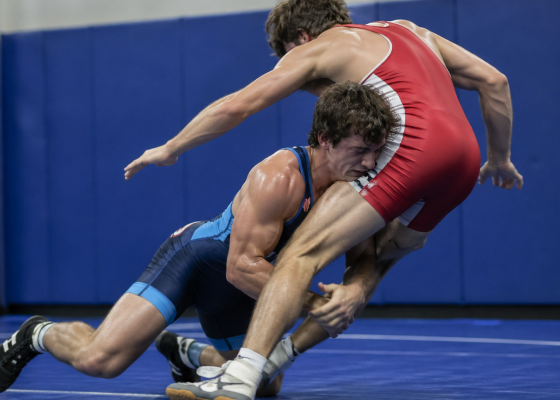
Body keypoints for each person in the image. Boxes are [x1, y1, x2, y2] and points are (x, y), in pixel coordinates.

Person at [124, 1, 525, 399]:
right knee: (377, 259)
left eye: (288, 55)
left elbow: (238, 104)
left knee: (300, 256)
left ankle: (239, 378)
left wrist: (171, 147)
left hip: (412, 144)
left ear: (301, 37)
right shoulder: (408, 29)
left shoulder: (322, 46)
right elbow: (495, 81)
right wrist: (499, 158)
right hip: (464, 159)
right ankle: (277, 360)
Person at [0, 82, 399, 396]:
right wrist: (315, 304)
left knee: (264, 384)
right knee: (99, 361)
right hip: (197, 263)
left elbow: (365, 256)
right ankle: (36, 333)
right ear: (325, 139)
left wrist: (352, 290)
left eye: (376, 152)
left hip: (245, 287)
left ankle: (185, 352)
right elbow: (240, 267)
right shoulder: (280, 177)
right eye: (359, 150)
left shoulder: (352, 189)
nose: (369, 164)